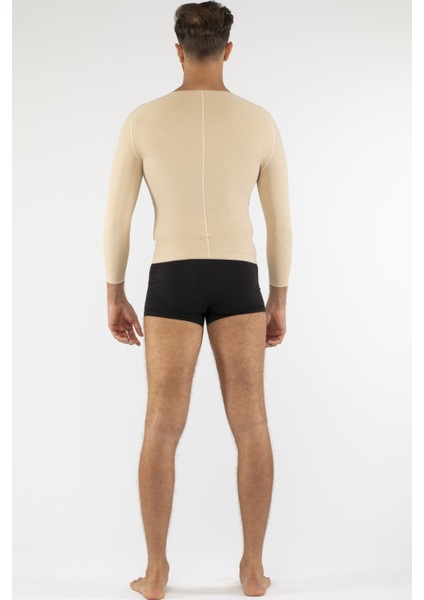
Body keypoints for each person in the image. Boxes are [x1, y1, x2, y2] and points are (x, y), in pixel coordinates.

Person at [103, 2, 292, 598]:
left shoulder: (143, 120)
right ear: (228, 49)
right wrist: (278, 296)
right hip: (239, 278)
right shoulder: (260, 121)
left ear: (178, 50)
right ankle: (253, 570)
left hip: (172, 277)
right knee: (252, 424)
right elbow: (280, 223)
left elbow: (117, 219)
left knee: (161, 426)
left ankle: (156, 572)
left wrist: (114, 290)